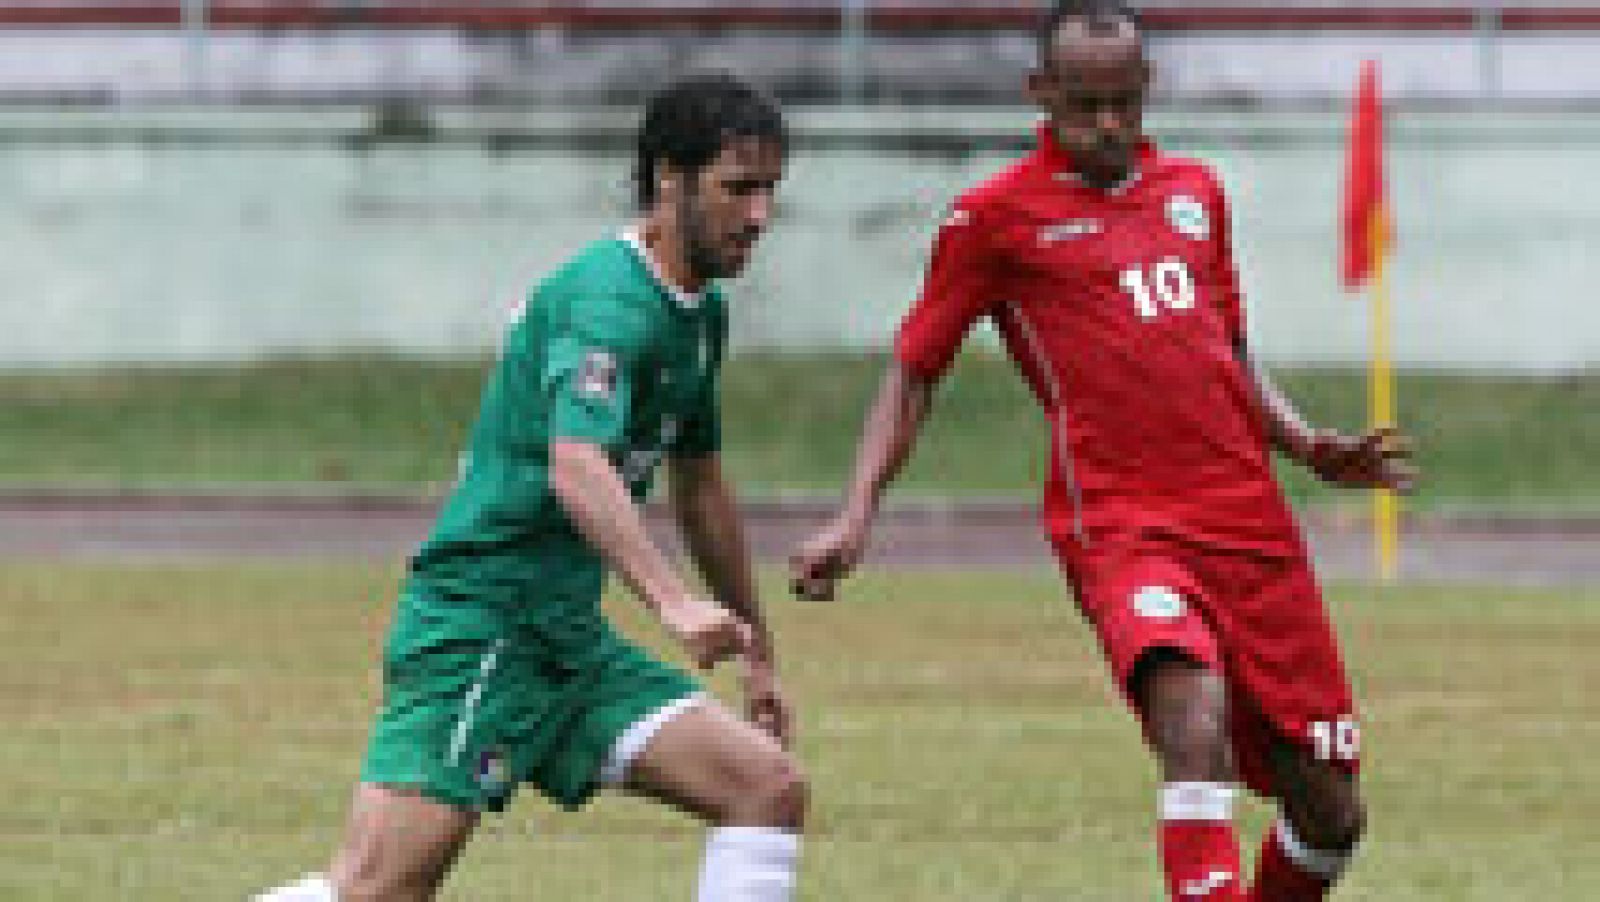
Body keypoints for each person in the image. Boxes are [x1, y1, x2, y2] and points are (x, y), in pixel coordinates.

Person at [789, 3, 1415, 900]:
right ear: (1040, 93)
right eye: (1085, 105)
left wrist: (1306, 442)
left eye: (1124, 102)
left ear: (1147, 89)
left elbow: (1228, 348)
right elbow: (914, 368)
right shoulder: (993, 220)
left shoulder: (1197, 193)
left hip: (1251, 524)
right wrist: (857, 513)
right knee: (1191, 724)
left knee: (1331, 808)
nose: (1108, 125)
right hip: (1124, 528)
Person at [259, 71, 804, 902]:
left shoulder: (699, 314)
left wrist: (758, 653)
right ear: (669, 176)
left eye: (771, 190)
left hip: (563, 639)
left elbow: (700, 488)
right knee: (377, 889)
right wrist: (672, 603)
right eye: (738, 189)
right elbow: (576, 464)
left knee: (765, 788)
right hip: (482, 623)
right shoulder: (606, 301)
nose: (760, 216)